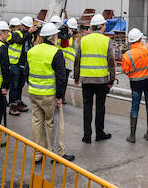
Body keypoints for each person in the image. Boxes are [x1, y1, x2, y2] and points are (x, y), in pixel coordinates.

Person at [26, 23, 71, 161]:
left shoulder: (32, 51)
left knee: (37, 122)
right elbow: (61, 77)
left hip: (34, 92)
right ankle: (58, 153)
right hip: (49, 94)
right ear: (52, 37)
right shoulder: (56, 53)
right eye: (56, 35)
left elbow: (26, 72)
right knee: (54, 123)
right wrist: (59, 96)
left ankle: (39, 153)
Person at [74, 14, 115, 143]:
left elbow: (77, 60)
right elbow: (111, 63)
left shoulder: (83, 40)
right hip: (101, 80)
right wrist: (112, 80)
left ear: (92, 27)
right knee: (100, 107)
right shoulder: (107, 41)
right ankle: (99, 133)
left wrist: (76, 77)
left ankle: (87, 136)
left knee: (87, 108)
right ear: (102, 26)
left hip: (86, 80)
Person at [121, 27, 148, 143]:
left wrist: (134, 74)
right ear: (140, 39)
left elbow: (126, 71)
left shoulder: (127, 55)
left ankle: (132, 136)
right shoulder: (147, 48)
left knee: (134, 108)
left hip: (136, 85)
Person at [8, 16, 35, 113]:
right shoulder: (16, 34)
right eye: (26, 27)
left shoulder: (28, 35)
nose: (27, 29)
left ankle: (18, 103)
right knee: (14, 86)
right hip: (15, 64)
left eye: (28, 28)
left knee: (20, 86)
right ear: (21, 25)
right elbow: (20, 41)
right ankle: (12, 106)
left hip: (24, 64)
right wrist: (29, 32)